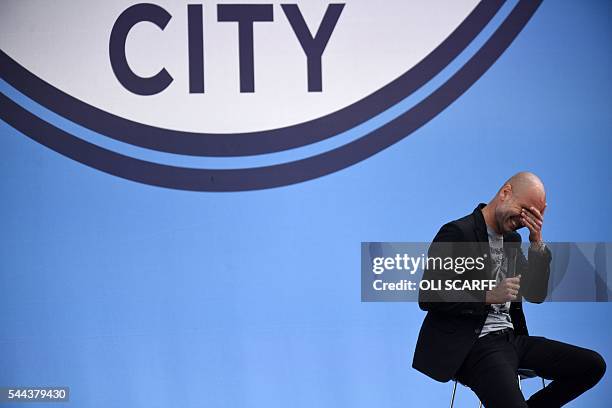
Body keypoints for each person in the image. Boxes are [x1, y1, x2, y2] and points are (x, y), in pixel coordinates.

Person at [412, 172, 606, 407]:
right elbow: (430, 294)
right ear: (505, 193)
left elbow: (535, 294)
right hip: (475, 345)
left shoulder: (512, 240)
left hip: (512, 340)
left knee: (592, 366)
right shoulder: (458, 232)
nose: (524, 220)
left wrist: (537, 244)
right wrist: (487, 296)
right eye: (523, 210)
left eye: (531, 216)